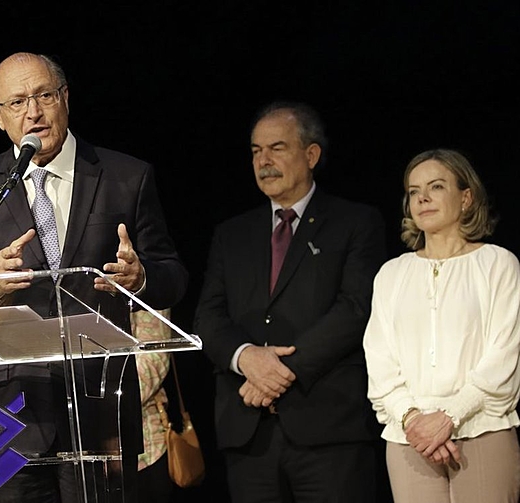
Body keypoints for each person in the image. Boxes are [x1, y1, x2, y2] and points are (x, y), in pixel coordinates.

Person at [0, 52, 188, 502]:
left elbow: (173, 276)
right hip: (7, 410)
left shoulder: (126, 177)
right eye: (17, 102)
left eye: (43, 95)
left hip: (100, 407)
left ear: (65, 98)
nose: (33, 112)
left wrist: (140, 279)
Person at [193, 101, 387, 502]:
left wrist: (277, 372)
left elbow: (354, 309)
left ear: (311, 155)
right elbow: (208, 317)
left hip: (329, 430)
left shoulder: (355, 222)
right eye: (255, 151)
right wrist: (246, 358)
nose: (263, 160)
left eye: (277, 148)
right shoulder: (232, 234)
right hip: (248, 434)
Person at [363, 148, 520, 502]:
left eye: (436, 187)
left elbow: (503, 354)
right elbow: (380, 358)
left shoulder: (498, 265)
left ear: (466, 198)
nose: (423, 198)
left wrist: (448, 417)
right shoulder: (392, 274)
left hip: (481, 429)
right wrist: (414, 419)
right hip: (410, 438)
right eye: (414, 191)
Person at [133, 309, 173, 503]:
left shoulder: (140, 280)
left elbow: (154, 358)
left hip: (144, 447)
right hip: (64, 445)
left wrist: (95, 407)